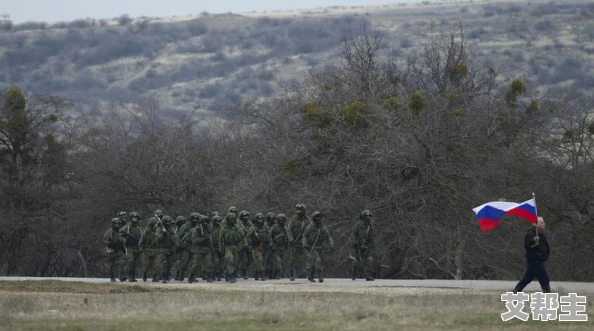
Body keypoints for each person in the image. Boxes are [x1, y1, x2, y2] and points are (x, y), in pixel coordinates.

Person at [512, 217, 551, 293]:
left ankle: (514, 292)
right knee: (545, 279)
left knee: (527, 279)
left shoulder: (540, 233)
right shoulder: (531, 233)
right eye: (542, 222)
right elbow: (526, 246)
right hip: (534, 260)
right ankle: (548, 296)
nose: (544, 224)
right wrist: (533, 241)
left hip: (538, 259)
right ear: (536, 224)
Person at [302, 211, 334, 283]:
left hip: (321, 247)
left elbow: (328, 237)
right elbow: (304, 236)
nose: (318, 219)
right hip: (313, 247)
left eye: (320, 217)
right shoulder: (310, 227)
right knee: (318, 260)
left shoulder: (323, 228)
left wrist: (331, 244)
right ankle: (320, 277)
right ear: (314, 218)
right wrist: (304, 245)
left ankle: (311, 276)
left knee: (315, 263)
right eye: (317, 217)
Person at [287, 204, 311, 281]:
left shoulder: (308, 220)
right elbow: (289, 230)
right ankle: (291, 274)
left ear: (304, 211)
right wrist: (291, 240)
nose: (298, 211)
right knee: (292, 259)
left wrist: (310, 241)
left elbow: (311, 230)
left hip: (304, 243)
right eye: (297, 210)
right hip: (295, 242)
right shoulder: (293, 219)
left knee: (308, 258)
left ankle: (309, 274)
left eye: (300, 210)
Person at [188, 215, 213, 283]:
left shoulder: (208, 230)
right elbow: (194, 240)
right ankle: (191, 276)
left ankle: (208, 277)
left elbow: (210, 240)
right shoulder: (197, 230)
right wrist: (202, 239)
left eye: (207, 222)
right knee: (196, 264)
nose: (206, 224)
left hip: (207, 249)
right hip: (198, 250)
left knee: (209, 263)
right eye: (205, 222)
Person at [351, 210, 375, 281]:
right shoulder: (358, 224)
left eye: (369, 216)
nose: (367, 218)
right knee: (358, 261)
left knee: (370, 259)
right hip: (359, 245)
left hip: (368, 245)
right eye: (366, 216)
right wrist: (354, 243)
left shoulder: (371, 225)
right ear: (362, 217)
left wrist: (373, 244)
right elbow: (353, 234)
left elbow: (372, 236)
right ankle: (354, 273)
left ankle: (369, 275)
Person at [120, 212, 143, 282]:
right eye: (133, 218)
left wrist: (141, 246)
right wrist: (125, 240)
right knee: (130, 260)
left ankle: (133, 275)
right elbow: (120, 235)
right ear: (131, 219)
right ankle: (129, 275)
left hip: (137, 247)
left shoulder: (139, 229)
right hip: (129, 247)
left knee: (135, 262)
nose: (135, 219)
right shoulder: (127, 227)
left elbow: (142, 238)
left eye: (136, 218)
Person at [247, 213, 270, 281]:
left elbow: (269, 236)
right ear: (256, 220)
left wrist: (270, 244)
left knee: (264, 261)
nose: (260, 220)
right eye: (259, 219)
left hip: (265, 246)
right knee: (260, 259)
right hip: (256, 247)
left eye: (261, 219)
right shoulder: (253, 228)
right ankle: (262, 275)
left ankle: (256, 273)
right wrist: (253, 241)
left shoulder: (265, 227)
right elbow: (248, 238)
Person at [220, 212, 241, 283]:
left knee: (236, 261)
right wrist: (221, 249)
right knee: (230, 259)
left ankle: (228, 274)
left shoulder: (237, 228)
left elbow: (241, 237)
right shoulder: (223, 228)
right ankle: (231, 275)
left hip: (236, 246)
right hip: (227, 246)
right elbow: (220, 240)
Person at [103, 217, 126, 282]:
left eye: (118, 224)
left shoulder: (121, 231)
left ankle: (121, 275)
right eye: (115, 224)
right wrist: (110, 243)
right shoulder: (109, 231)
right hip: (112, 250)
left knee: (122, 261)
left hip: (119, 249)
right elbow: (104, 240)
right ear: (112, 224)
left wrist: (122, 241)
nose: (117, 225)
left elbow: (124, 239)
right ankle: (112, 277)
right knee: (111, 264)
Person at [176, 214, 196, 281]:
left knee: (194, 262)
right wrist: (179, 246)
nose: (195, 221)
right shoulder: (184, 226)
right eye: (194, 220)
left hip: (195, 246)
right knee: (185, 262)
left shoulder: (199, 226)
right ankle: (182, 272)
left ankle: (192, 276)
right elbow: (179, 237)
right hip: (186, 246)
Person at [139, 217, 160, 282]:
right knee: (147, 264)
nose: (155, 225)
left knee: (156, 264)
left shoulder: (158, 231)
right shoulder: (146, 232)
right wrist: (142, 250)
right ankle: (144, 274)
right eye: (154, 224)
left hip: (156, 250)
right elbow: (141, 242)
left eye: (156, 224)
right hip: (147, 250)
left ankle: (154, 277)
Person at [269, 213, 290, 280]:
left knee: (282, 262)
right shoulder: (274, 227)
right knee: (278, 261)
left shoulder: (286, 228)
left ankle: (275, 275)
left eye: (283, 220)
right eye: (280, 220)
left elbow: (288, 237)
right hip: (275, 247)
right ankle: (277, 274)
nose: (282, 221)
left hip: (283, 247)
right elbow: (269, 237)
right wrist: (271, 245)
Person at [156, 215, 176, 283]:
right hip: (162, 249)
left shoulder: (171, 229)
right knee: (164, 263)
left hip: (170, 249)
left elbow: (174, 239)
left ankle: (167, 273)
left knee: (170, 263)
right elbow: (157, 239)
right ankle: (164, 276)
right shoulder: (159, 229)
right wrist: (163, 235)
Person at [236, 210, 253, 279]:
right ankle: (242, 272)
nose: (246, 218)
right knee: (242, 259)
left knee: (251, 259)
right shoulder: (239, 224)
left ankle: (243, 270)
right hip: (242, 244)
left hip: (249, 244)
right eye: (244, 216)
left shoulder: (249, 223)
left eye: (247, 216)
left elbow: (253, 230)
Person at [210, 214, 224, 281]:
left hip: (220, 246)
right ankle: (215, 274)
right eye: (217, 221)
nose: (218, 222)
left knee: (221, 261)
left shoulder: (222, 227)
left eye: (219, 221)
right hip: (213, 246)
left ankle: (220, 273)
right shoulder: (210, 228)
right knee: (216, 261)